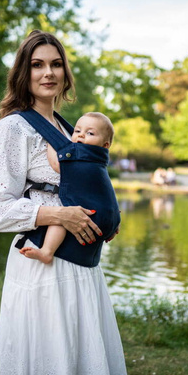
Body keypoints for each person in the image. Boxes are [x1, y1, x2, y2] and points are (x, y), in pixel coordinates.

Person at [0, 30, 131, 375]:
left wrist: (107, 217)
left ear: (65, 72)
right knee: (49, 362)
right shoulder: (13, 128)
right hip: (42, 269)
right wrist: (59, 216)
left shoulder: (71, 129)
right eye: (37, 65)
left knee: (81, 362)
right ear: (23, 73)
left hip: (81, 270)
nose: (48, 73)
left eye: (56, 64)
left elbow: (88, 184)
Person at [19, 112, 117, 264]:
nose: (81, 135)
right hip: (108, 215)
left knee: (60, 217)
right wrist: (113, 222)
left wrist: (53, 142)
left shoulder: (83, 156)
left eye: (90, 133)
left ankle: (47, 251)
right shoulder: (99, 162)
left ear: (105, 145)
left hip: (91, 217)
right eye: (77, 131)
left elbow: (57, 164)